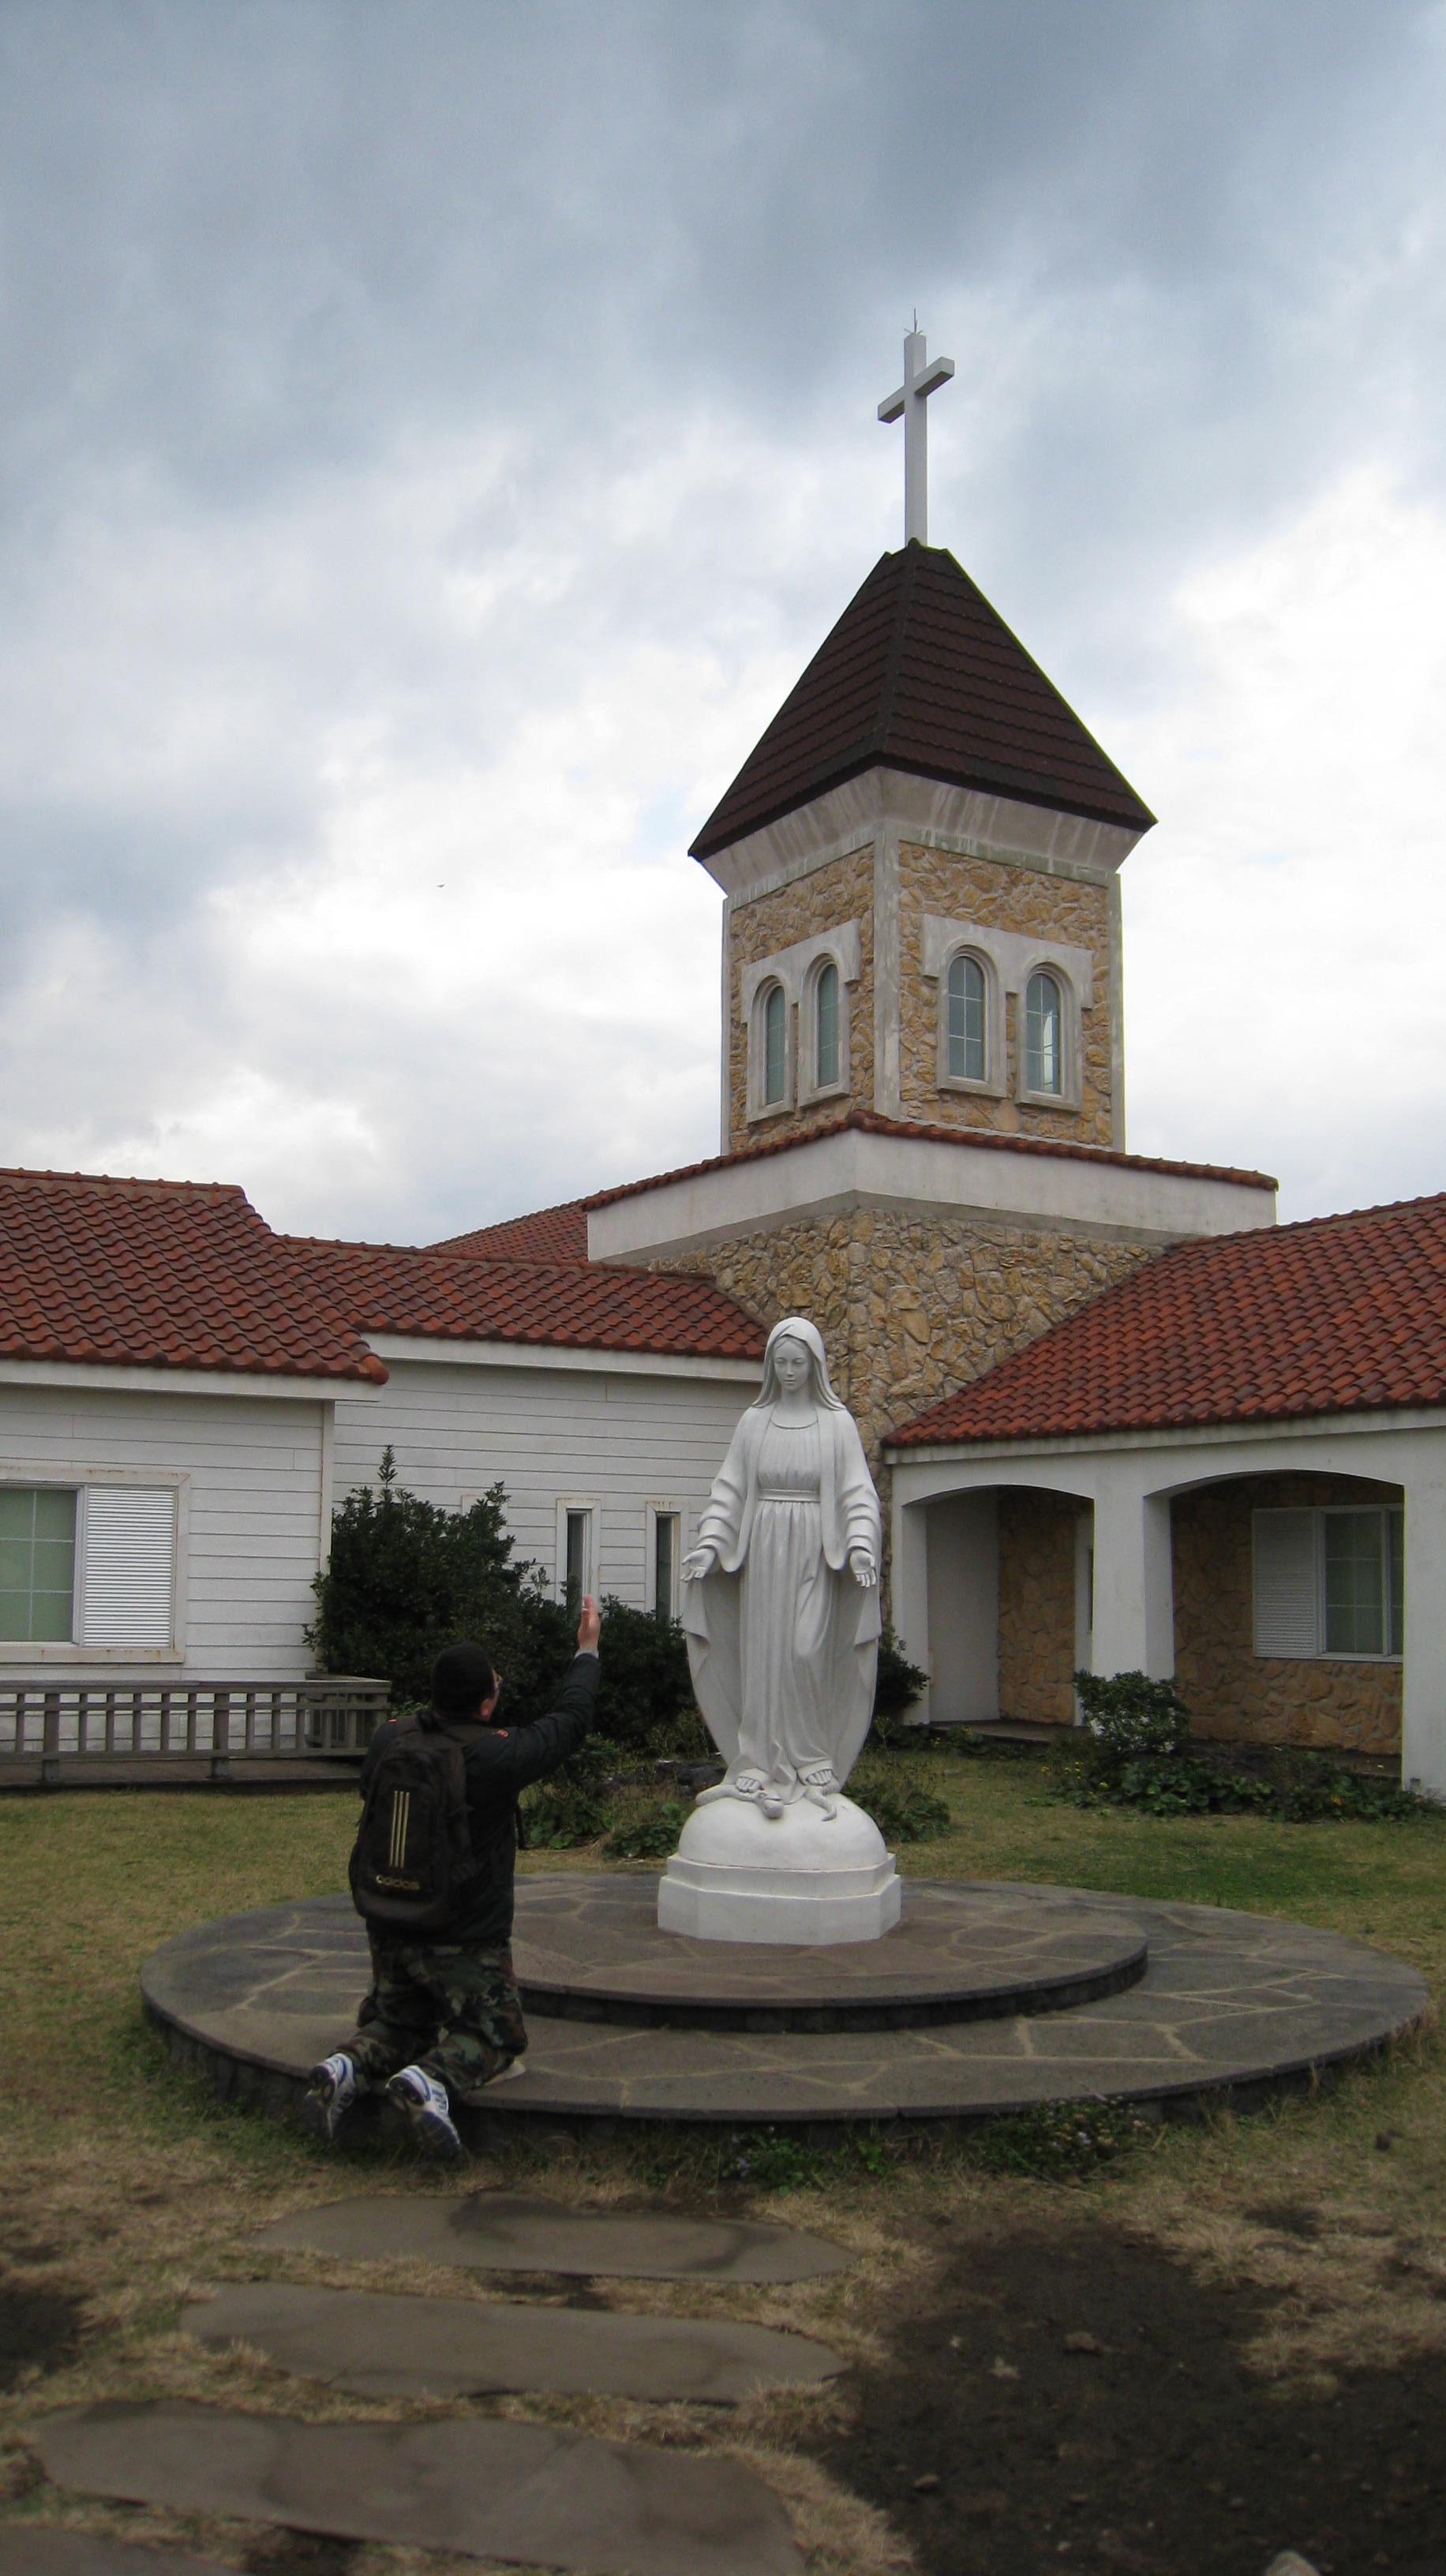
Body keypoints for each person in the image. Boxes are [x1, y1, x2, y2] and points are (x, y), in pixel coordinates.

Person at [302, 1594, 601, 2159]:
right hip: (465, 1937)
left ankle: (346, 2067)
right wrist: (587, 1650)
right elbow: (569, 1722)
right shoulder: (492, 1758)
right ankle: (431, 2081)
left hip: (389, 1925)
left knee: (401, 2023)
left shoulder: (391, 1741)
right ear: (487, 1704)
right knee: (497, 2036)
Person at [681, 1316, 881, 1818]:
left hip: (813, 1548)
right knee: (764, 1653)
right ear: (771, 1366)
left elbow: (857, 1492)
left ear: (816, 1367)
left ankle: (811, 1755)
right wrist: (710, 1544)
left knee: (804, 1649)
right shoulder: (755, 1422)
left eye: (798, 1363)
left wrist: (860, 1544)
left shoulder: (836, 1424)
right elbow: (730, 1490)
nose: (789, 1372)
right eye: (781, 1363)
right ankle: (758, 1759)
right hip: (764, 1549)